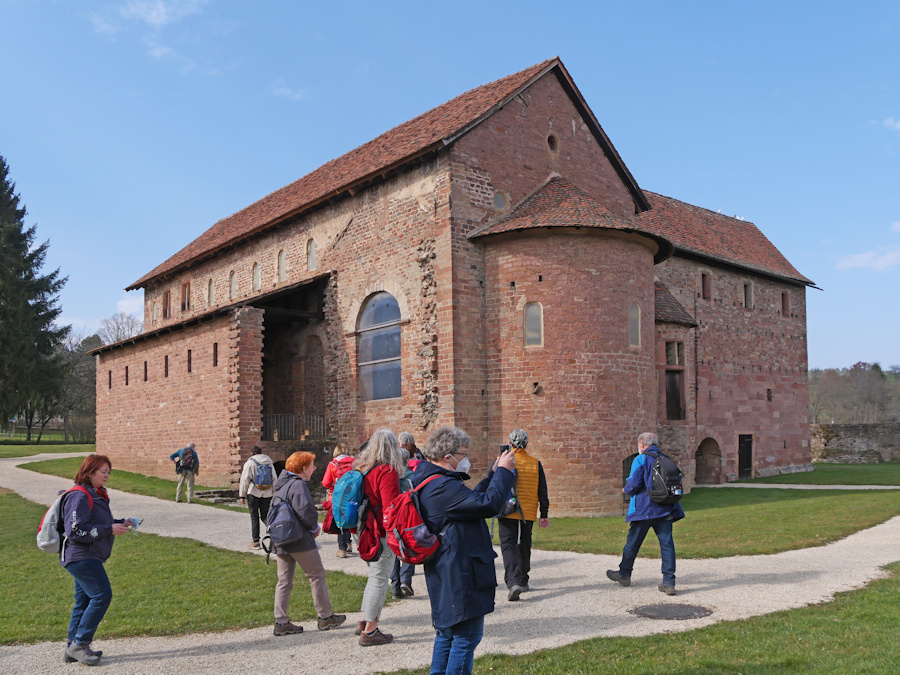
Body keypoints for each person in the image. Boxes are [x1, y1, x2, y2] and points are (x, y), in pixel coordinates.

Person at [412, 425, 517, 675]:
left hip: (449, 568)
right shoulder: (441, 486)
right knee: (465, 637)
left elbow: (469, 504)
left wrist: (492, 475)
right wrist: (504, 472)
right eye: (464, 454)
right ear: (448, 457)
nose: (466, 460)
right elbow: (488, 505)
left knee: (448, 635)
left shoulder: (434, 481)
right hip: (459, 572)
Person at [60, 454, 134, 665]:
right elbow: (75, 531)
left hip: (87, 555)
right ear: (90, 472)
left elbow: (98, 522)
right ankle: (79, 644)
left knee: (82, 601)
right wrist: (109, 529)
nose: (107, 476)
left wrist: (121, 522)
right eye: (103, 472)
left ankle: (72, 648)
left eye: (109, 472)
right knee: (102, 596)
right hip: (82, 556)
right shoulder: (80, 495)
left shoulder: (96, 494)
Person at [271, 451, 347, 636]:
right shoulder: (298, 485)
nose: (313, 470)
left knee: (284, 581)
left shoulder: (280, 485)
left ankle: (281, 621)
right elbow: (306, 510)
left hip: (281, 538)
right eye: (311, 466)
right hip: (299, 538)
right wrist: (314, 527)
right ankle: (325, 617)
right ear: (303, 468)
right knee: (316, 575)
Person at [606, 432, 685, 595]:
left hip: (644, 509)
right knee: (667, 545)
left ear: (642, 443)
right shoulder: (666, 459)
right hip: (665, 508)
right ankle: (669, 582)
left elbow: (633, 483)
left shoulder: (640, 459)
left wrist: (626, 489)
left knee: (632, 543)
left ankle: (624, 574)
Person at [353, 429, 405, 646]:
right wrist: (395, 533)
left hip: (364, 528)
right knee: (380, 578)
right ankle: (371, 631)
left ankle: (365, 620)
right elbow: (390, 507)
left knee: (374, 575)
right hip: (380, 532)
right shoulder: (387, 471)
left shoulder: (364, 469)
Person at [497, 428, 549, 601]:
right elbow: (543, 490)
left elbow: (495, 486)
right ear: (526, 444)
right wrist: (544, 514)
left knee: (508, 545)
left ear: (510, 443)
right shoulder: (535, 463)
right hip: (527, 511)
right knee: (525, 543)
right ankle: (523, 579)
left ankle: (513, 582)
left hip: (507, 509)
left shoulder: (502, 460)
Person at [390, 439, 421, 598]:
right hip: (409, 518)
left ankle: (395, 586)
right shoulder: (413, 477)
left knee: (394, 548)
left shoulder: (390, 475)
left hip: (393, 517)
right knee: (409, 546)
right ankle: (406, 580)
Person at [322, 443, 355, 558]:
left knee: (340, 521)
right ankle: (349, 543)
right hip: (352, 495)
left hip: (337, 496)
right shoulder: (354, 462)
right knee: (349, 517)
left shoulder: (332, 464)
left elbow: (326, 483)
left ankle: (342, 549)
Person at [239, 447, 276, 549]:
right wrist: (273, 492)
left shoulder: (250, 462)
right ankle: (276, 536)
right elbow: (274, 478)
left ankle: (256, 542)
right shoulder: (269, 462)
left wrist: (242, 495)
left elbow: (245, 480)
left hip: (253, 492)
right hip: (267, 493)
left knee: (254, 517)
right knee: (266, 516)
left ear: (252, 453)